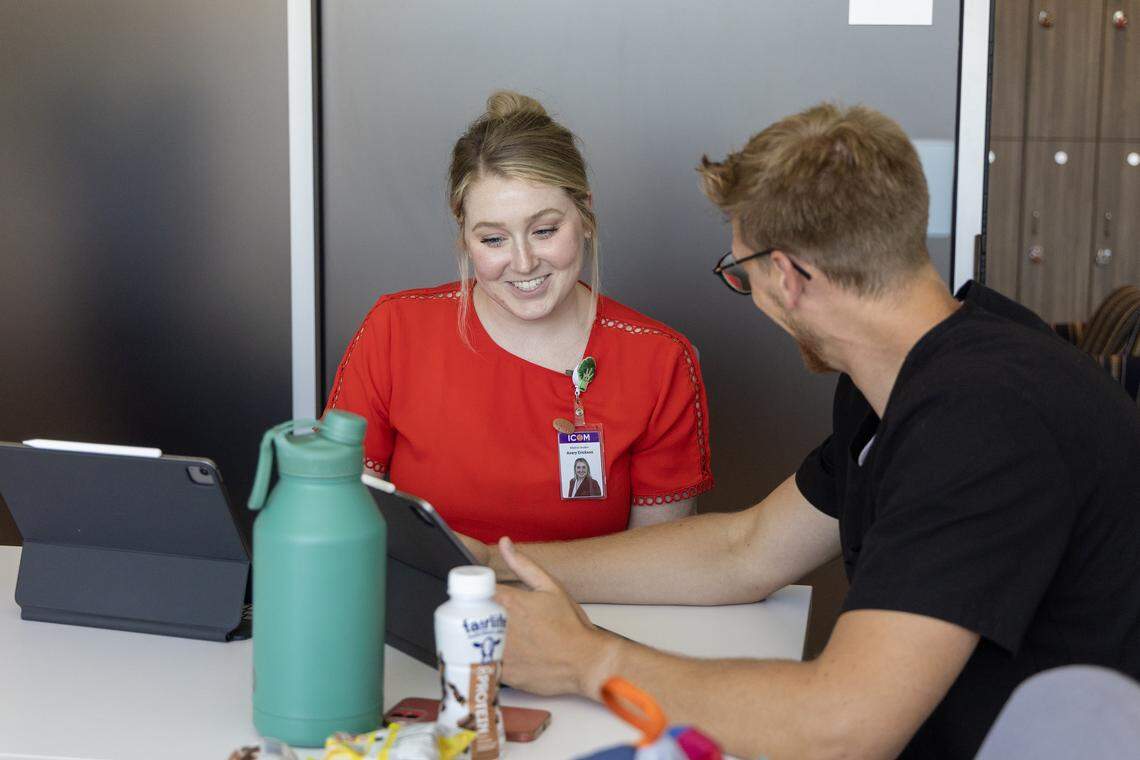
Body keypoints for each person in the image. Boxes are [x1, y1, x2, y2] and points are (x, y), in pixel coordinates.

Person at [464, 103, 1140, 759]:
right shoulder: (911, 375)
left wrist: (587, 661)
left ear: (786, 275)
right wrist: (497, 562)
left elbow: (839, 730)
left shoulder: (983, 420)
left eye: (742, 275)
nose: (751, 294)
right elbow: (747, 549)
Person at [324, 91, 713, 544]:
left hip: (585, 616)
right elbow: (338, 512)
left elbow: (660, 559)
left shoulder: (660, 360)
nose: (524, 262)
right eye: (493, 239)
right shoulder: (396, 330)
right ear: (463, 231)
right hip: (425, 608)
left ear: (585, 213)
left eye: (545, 230)